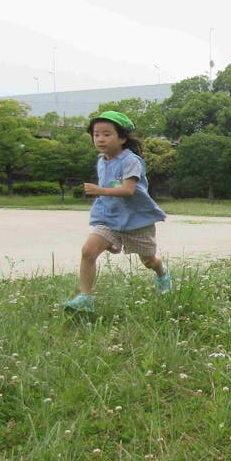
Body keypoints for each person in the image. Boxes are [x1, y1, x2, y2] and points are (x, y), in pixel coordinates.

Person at [62, 111, 171, 313]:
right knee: (88, 251)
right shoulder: (101, 160)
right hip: (109, 218)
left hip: (137, 220)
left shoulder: (131, 161)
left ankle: (162, 272)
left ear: (122, 138)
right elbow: (109, 192)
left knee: (148, 261)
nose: (100, 139)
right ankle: (85, 298)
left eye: (107, 134)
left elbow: (128, 190)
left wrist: (99, 190)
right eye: (96, 134)